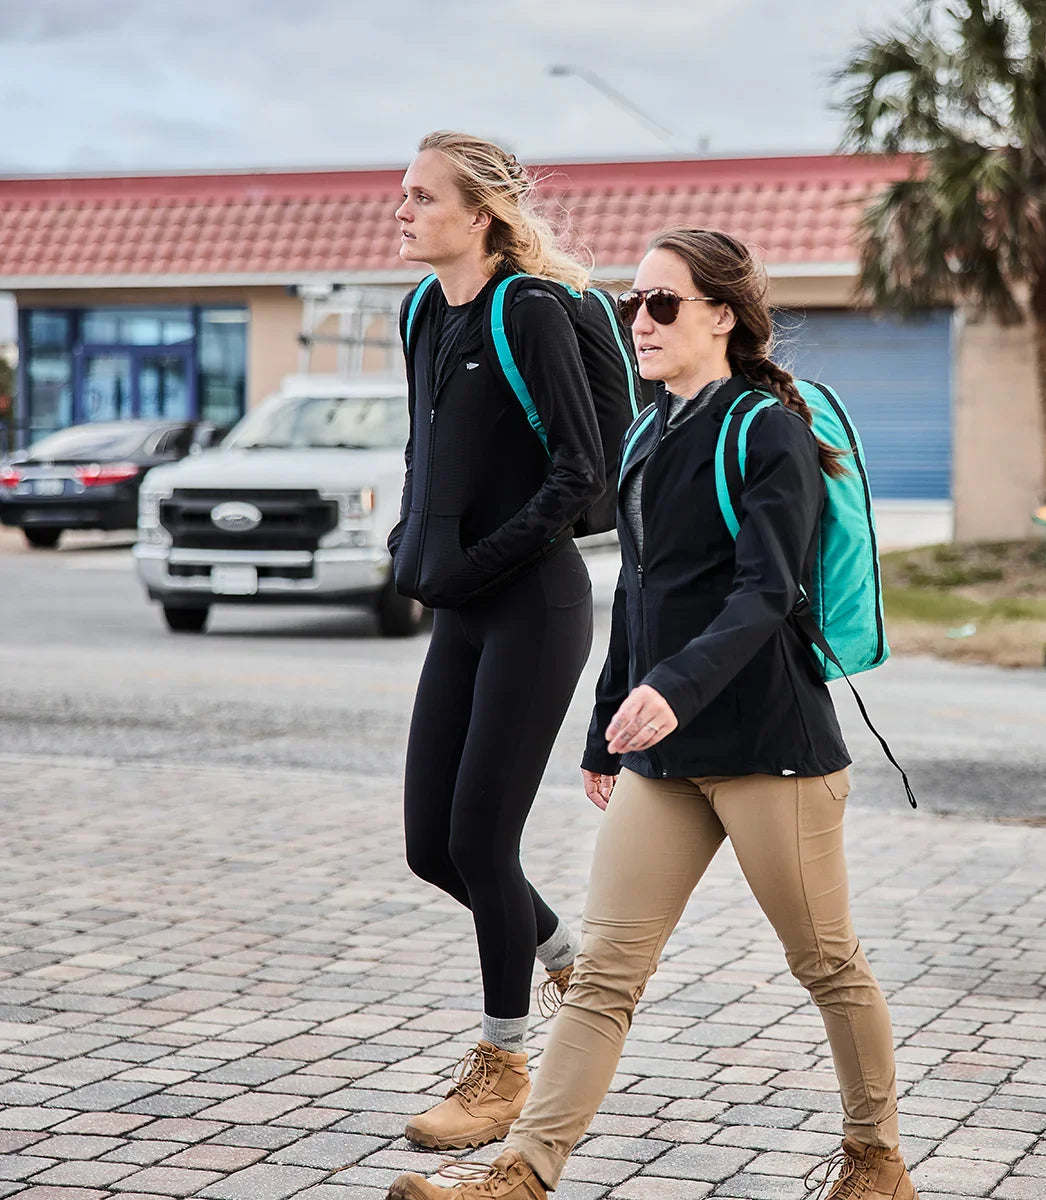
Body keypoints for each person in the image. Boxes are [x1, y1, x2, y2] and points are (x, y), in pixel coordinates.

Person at [388, 228, 920, 1200]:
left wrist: (669, 691)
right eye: (635, 302)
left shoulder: (767, 429)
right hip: (665, 767)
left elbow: (765, 595)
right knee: (602, 979)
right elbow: (636, 593)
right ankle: (523, 1173)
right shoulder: (646, 431)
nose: (641, 320)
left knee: (827, 963)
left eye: (664, 302)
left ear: (723, 314)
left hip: (772, 754)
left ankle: (875, 1159)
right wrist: (604, 726)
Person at [387, 131, 605, 1152]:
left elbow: (577, 473)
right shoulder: (424, 310)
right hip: (463, 607)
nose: (405, 209)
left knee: (483, 838)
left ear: (480, 214)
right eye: (404, 193)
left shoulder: (527, 310)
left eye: (424, 196)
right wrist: (408, 543)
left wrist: (474, 566)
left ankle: (503, 1065)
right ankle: (574, 959)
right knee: (432, 846)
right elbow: (423, 448)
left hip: (536, 606)